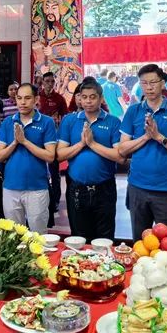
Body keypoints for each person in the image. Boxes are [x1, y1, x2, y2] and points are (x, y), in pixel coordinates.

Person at [118, 64, 167, 239]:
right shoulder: (133, 111)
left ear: (163, 83)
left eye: (153, 82)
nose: (149, 87)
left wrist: (159, 137)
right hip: (137, 186)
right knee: (140, 240)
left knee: (166, 243)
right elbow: (122, 148)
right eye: (144, 83)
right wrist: (146, 137)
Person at [57, 78, 123, 240]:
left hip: (105, 188)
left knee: (105, 237)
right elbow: (59, 155)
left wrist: (92, 144)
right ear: (79, 98)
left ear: (101, 99)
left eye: (92, 97)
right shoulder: (70, 121)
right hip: (77, 188)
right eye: (84, 97)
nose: (88, 101)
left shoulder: (113, 122)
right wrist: (81, 143)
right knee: (79, 238)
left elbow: (120, 157)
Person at [0, 83, 57, 232]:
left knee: (38, 236)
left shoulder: (46, 122)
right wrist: (15, 142)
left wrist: (25, 141)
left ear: (36, 99)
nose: (22, 102)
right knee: (14, 236)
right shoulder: (8, 122)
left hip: (37, 188)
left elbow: (50, 156)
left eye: (27, 98)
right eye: (19, 98)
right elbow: (0, 156)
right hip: (10, 187)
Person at [37, 72, 67, 228]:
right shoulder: (38, 98)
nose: (49, 84)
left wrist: (58, 122)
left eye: (52, 81)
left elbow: (65, 117)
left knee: (54, 170)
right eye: (47, 81)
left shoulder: (59, 99)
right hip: (37, 139)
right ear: (42, 82)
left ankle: (55, 200)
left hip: (53, 138)